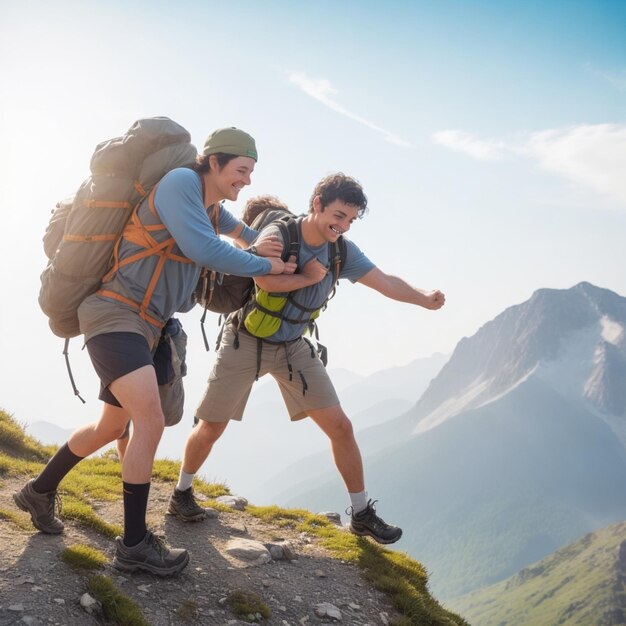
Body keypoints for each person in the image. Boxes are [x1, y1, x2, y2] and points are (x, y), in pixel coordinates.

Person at [14, 127, 287, 576]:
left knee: (109, 426)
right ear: (214, 162)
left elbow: (237, 231)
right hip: (114, 316)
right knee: (150, 421)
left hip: (147, 327)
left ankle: (38, 492)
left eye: (252, 172)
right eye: (242, 170)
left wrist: (264, 242)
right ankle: (134, 545)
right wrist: (264, 264)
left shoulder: (208, 204)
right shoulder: (180, 184)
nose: (247, 181)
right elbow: (205, 248)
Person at [167, 173, 445, 544]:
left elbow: (386, 281)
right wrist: (308, 278)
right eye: (339, 215)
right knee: (212, 426)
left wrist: (424, 297)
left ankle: (361, 514)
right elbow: (264, 279)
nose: (343, 226)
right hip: (246, 339)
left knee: (341, 427)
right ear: (317, 204)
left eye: (350, 220)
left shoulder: (341, 251)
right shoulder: (279, 234)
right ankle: (182, 493)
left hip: (294, 345)